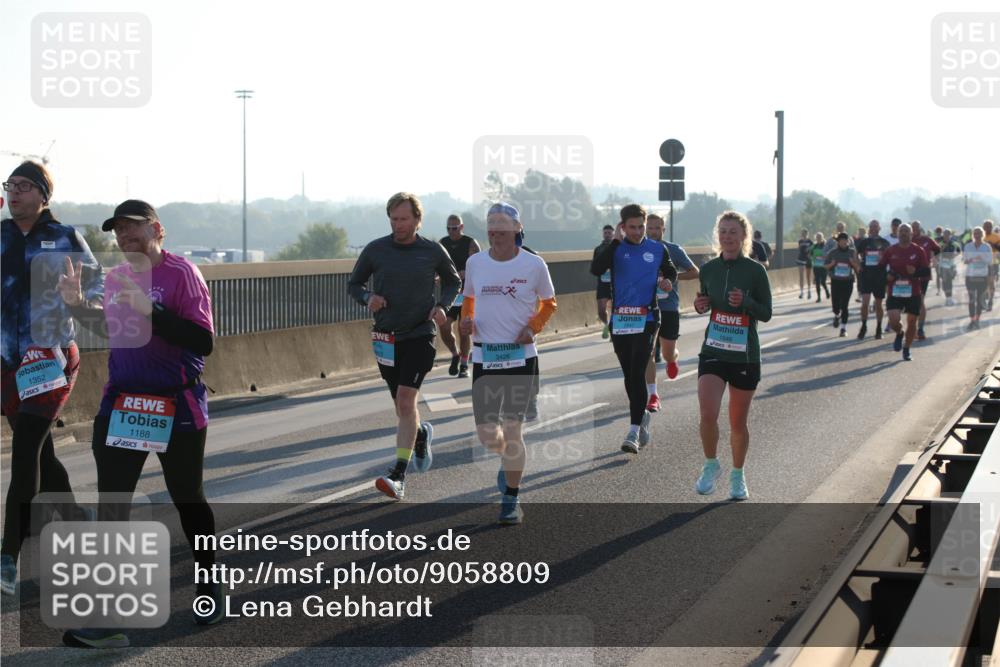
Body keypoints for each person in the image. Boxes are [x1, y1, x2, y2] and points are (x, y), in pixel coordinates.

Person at [61, 200, 221, 647]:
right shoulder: (115, 277)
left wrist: (152, 311)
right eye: (117, 230)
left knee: (189, 500)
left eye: (132, 227)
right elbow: (112, 327)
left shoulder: (182, 274)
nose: (123, 236)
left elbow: (203, 341)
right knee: (113, 505)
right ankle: (106, 622)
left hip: (177, 404)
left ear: (156, 229)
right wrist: (76, 307)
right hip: (124, 405)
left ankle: (209, 585)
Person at [1, 161, 104, 597]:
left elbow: (98, 291)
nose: (14, 193)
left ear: (44, 195)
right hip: (7, 364)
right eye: (10, 186)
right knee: (41, 452)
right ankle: (77, 521)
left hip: (51, 360)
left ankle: (7, 556)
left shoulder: (65, 237)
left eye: (24, 186)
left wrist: (80, 299)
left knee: (24, 453)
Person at [348, 193, 461, 500]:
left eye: (404, 219)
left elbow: (453, 282)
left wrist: (443, 306)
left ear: (417, 220)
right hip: (386, 338)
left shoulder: (432, 251)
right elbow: (354, 284)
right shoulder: (376, 250)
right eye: (394, 219)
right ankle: (421, 433)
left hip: (420, 334)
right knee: (403, 407)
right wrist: (367, 298)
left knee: (406, 398)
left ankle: (398, 474)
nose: (398, 225)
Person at [459, 202, 556, 524]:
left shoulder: (534, 265)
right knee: (488, 434)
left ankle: (511, 500)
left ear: (517, 229)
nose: (495, 230)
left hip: (520, 357)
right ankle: (507, 463)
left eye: (501, 225)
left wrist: (533, 327)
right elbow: (469, 299)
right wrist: (466, 321)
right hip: (485, 356)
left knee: (513, 429)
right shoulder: (475, 263)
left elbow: (549, 303)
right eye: (490, 224)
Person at [693, 211, 772, 501]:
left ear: (743, 237)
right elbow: (705, 302)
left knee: (737, 424)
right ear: (718, 235)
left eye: (733, 233)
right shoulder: (709, 269)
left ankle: (738, 475)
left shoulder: (755, 271)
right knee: (707, 414)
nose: (727, 237)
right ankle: (711, 464)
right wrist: (700, 304)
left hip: (744, 356)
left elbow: (766, 313)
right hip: (714, 350)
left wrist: (747, 302)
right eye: (723, 232)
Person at [590, 204, 676, 454]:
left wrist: (668, 281)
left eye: (641, 227)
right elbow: (596, 269)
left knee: (638, 370)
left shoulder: (657, 249)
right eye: (632, 227)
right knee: (629, 374)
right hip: (621, 321)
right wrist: (616, 242)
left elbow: (670, 270)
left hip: (648, 318)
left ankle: (633, 429)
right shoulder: (615, 249)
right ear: (622, 227)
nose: (637, 232)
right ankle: (642, 416)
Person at [644, 213, 698, 411]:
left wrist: (673, 279)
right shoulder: (636, 251)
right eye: (649, 228)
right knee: (647, 352)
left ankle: (672, 359)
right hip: (645, 308)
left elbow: (695, 272)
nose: (653, 232)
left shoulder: (673, 250)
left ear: (663, 230)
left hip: (668, 308)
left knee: (667, 352)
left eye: (657, 228)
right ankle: (653, 394)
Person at [438, 214, 481, 378]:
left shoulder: (470, 243)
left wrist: (466, 273)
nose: (451, 231)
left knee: (464, 330)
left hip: (466, 294)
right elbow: (437, 264)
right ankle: (455, 354)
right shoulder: (443, 244)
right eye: (448, 228)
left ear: (461, 227)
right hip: (449, 294)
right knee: (444, 327)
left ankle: (464, 364)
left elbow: (481, 266)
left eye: (454, 228)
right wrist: (436, 275)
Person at [879, 223, 929, 361]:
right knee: (894, 320)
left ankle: (906, 348)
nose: (904, 233)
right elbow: (881, 268)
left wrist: (916, 272)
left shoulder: (918, 251)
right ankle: (900, 333)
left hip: (913, 292)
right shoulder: (890, 250)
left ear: (911, 234)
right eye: (901, 231)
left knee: (912, 322)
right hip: (895, 291)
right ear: (897, 233)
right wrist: (887, 276)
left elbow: (926, 271)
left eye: (907, 231)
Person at [855, 220, 891, 339]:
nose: (874, 229)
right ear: (869, 229)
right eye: (871, 227)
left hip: (880, 276)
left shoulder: (884, 243)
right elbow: (856, 254)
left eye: (876, 227)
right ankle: (864, 326)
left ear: (879, 228)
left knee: (879, 304)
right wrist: (858, 266)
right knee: (865, 303)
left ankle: (878, 327)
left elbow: (890, 257)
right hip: (866, 275)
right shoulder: (864, 242)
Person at [824, 232, 861, 337]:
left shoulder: (853, 252)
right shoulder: (832, 252)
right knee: (835, 306)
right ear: (838, 242)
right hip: (836, 281)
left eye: (846, 240)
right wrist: (832, 264)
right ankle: (836, 315)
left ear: (848, 241)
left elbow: (858, 268)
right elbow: (825, 266)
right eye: (841, 240)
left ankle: (843, 329)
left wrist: (852, 263)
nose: (844, 242)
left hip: (848, 281)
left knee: (844, 305)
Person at [910, 221, 940, 341]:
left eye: (916, 227)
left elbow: (937, 249)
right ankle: (912, 328)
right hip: (910, 274)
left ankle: (920, 329)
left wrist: (932, 259)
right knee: (912, 302)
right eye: (913, 228)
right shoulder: (908, 240)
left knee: (920, 300)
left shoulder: (927, 239)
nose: (915, 229)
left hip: (924, 274)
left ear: (920, 228)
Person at [962, 227, 991, 329]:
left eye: (979, 233)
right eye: (975, 233)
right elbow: (964, 260)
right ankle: (972, 320)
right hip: (970, 276)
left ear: (982, 234)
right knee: (971, 299)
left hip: (982, 276)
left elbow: (989, 261)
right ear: (973, 235)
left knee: (979, 300)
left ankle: (977, 320)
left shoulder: (986, 247)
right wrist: (973, 259)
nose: (977, 235)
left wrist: (981, 257)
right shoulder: (968, 246)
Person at [593, 225, 615, 339]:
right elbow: (595, 266)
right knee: (601, 311)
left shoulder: (618, 247)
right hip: (602, 283)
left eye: (609, 233)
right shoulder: (598, 249)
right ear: (603, 234)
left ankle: (612, 328)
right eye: (605, 233)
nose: (607, 235)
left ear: (613, 234)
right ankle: (606, 325)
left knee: (616, 309)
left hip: (616, 283)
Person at [938, 229, 962, 307]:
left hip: (951, 265)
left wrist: (954, 256)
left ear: (950, 235)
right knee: (944, 283)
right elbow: (937, 252)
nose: (946, 236)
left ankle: (949, 298)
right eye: (944, 234)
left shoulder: (954, 243)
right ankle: (947, 296)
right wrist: (943, 247)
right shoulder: (940, 243)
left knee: (949, 282)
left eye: (947, 234)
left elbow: (959, 251)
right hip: (942, 265)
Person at [982, 219, 1000, 311]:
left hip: (992, 263)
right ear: (983, 227)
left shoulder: (996, 237)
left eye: (989, 226)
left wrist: (992, 245)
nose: (987, 228)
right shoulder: (980, 236)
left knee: (991, 284)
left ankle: (990, 301)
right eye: (986, 226)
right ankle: (984, 299)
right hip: (980, 265)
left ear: (992, 227)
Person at [810, 233, 830, 302]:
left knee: (823, 282)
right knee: (817, 282)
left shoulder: (825, 246)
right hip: (816, 266)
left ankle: (827, 291)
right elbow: (809, 254)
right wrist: (813, 258)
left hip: (824, 266)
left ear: (822, 238)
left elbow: (829, 255)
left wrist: (824, 258)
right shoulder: (814, 246)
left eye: (820, 237)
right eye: (817, 237)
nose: (818, 239)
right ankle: (818, 297)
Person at [796, 228, 813, 299]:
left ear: (807, 234)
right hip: (800, 259)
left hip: (808, 259)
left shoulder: (810, 241)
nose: (804, 234)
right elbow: (799, 249)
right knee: (801, 276)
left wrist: (810, 254)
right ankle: (801, 292)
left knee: (808, 276)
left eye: (805, 233)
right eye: (803, 233)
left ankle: (809, 291)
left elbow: (812, 250)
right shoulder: (800, 241)